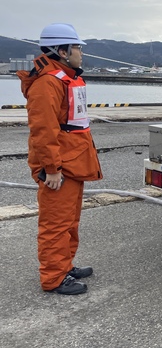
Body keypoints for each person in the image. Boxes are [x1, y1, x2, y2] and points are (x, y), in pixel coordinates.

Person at [17, 23, 103, 295]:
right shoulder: (47, 83)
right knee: (55, 224)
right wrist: (51, 169)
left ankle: (64, 265)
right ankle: (54, 278)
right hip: (60, 167)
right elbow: (43, 131)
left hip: (73, 163)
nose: (80, 53)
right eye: (77, 47)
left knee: (70, 221)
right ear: (62, 51)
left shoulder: (63, 78)